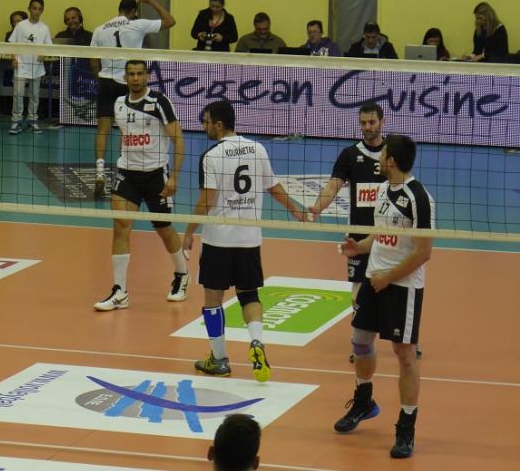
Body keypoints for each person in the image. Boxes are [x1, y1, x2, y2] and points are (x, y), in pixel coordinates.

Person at [183, 100, 307, 381]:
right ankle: (257, 342)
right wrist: (295, 209)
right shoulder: (257, 148)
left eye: (206, 122)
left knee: (213, 299)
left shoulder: (211, 155)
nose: (204, 126)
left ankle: (219, 359)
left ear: (219, 125)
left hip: (218, 240)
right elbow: (273, 187)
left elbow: (207, 200)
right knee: (249, 295)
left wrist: (188, 232)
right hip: (249, 239)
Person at [333, 134, 433, 460]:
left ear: (391, 160)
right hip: (374, 279)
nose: (379, 157)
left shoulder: (419, 198)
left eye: (383, 153)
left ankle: (406, 429)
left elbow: (423, 252)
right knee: (360, 341)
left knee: (405, 354)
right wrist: (359, 247)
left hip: (402, 287)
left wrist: (388, 277)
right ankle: (364, 402)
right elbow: (380, 235)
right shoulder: (382, 191)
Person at [308, 102, 424, 363]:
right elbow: (333, 185)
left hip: (392, 234)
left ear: (382, 122)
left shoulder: (392, 154)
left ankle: (408, 339)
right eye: (363, 123)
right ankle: (359, 341)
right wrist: (317, 207)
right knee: (359, 291)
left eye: (372, 122)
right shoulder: (350, 154)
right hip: (360, 234)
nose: (367, 127)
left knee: (398, 285)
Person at [93, 60, 188, 311]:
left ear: (147, 76)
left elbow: (178, 140)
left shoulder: (159, 102)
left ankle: (182, 274)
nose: (135, 78)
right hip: (127, 174)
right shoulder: (119, 104)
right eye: (131, 74)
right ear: (125, 78)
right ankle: (120, 291)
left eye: (139, 74)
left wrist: (174, 177)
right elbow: (125, 136)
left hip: (156, 175)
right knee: (121, 227)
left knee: (164, 229)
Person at [90, 0, 175, 198]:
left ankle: (99, 173)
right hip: (128, 81)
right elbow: (170, 21)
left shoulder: (100, 29)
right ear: (133, 11)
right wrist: (153, 1)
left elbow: (92, 59)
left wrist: (100, 77)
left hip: (106, 80)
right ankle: (125, 171)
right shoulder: (136, 24)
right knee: (127, 128)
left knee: (102, 130)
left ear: (119, 9)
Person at [7, 0, 53, 135]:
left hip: (36, 67)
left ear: (42, 10)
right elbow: (12, 44)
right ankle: (16, 122)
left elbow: (48, 47)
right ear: (29, 9)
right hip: (21, 65)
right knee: (18, 95)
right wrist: (13, 58)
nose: (36, 11)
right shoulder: (21, 26)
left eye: (39, 9)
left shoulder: (44, 28)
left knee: (34, 96)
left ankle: (33, 121)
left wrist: (44, 55)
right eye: (34, 8)